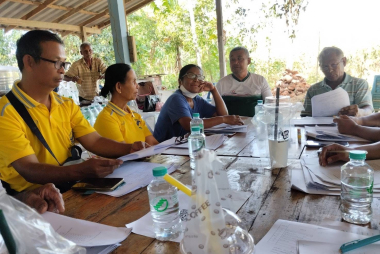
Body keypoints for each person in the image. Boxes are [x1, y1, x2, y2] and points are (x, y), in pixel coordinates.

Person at [0, 30, 144, 194]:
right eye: (57, 63)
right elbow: (29, 169)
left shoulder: (65, 104)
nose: (62, 70)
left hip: (70, 187)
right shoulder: (6, 113)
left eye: (64, 64)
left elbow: (94, 141)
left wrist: (130, 149)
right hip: (33, 200)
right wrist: (80, 170)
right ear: (29, 62)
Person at [153, 64, 244, 142]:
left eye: (200, 77)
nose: (196, 79)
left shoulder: (196, 99)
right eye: (191, 75)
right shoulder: (176, 99)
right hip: (164, 151)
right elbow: (189, 125)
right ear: (180, 81)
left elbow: (223, 114)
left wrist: (213, 90)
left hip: (182, 145)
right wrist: (224, 119)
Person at [94, 63, 159, 146]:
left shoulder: (135, 116)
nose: (137, 86)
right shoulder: (107, 118)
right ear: (119, 87)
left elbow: (152, 143)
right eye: (133, 82)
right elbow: (123, 152)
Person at [302, 47, 373, 117]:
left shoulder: (359, 85)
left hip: (350, 128)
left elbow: (368, 110)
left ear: (344, 62)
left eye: (334, 65)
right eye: (325, 67)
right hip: (319, 128)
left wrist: (359, 112)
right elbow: (305, 117)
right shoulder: (313, 90)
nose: (330, 70)